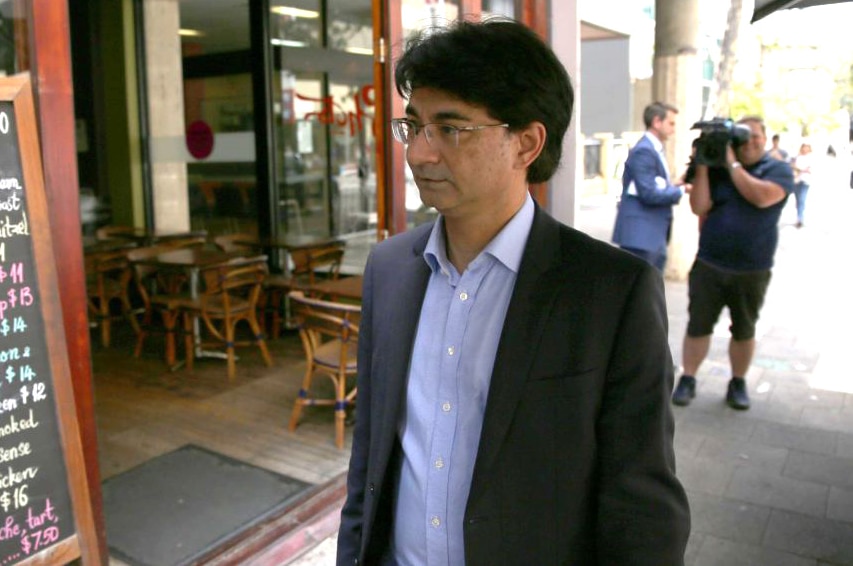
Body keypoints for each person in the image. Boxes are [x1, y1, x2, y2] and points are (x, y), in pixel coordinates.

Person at [337, 18, 690, 566]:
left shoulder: (608, 292)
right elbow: (371, 455)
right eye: (414, 127)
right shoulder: (389, 270)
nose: (419, 155)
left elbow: (641, 506)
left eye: (450, 128)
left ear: (526, 142)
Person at [672, 116, 794, 411]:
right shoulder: (716, 169)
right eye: (744, 136)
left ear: (765, 139)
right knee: (698, 325)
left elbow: (762, 197)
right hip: (710, 264)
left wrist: (732, 165)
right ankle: (688, 378)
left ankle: (737, 381)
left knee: (744, 328)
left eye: (756, 136)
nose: (750, 141)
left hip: (752, 269)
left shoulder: (777, 169)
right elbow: (699, 206)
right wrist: (703, 165)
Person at [612, 101, 687, 271]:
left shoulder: (653, 149)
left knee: (650, 291)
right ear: (656, 122)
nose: (674, 129)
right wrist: (681, 190)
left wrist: (674, 185)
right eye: (671, 123)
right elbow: (649, 193)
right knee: (640, 291)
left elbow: (649, 184)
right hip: (641, 235)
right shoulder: (644, 151)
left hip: (651, 234)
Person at [791, 142, 813, 228]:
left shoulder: (811, 158)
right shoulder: (797, 157)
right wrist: (801, 169)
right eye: (804, 147)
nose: (805, 149)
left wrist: (800, 170)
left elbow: (810, 169)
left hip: (805, 181)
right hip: (796, 180)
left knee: (802, 199)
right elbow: (792, 166)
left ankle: (800, 218)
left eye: (807, 147)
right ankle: (799, 215)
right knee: (798, 199)